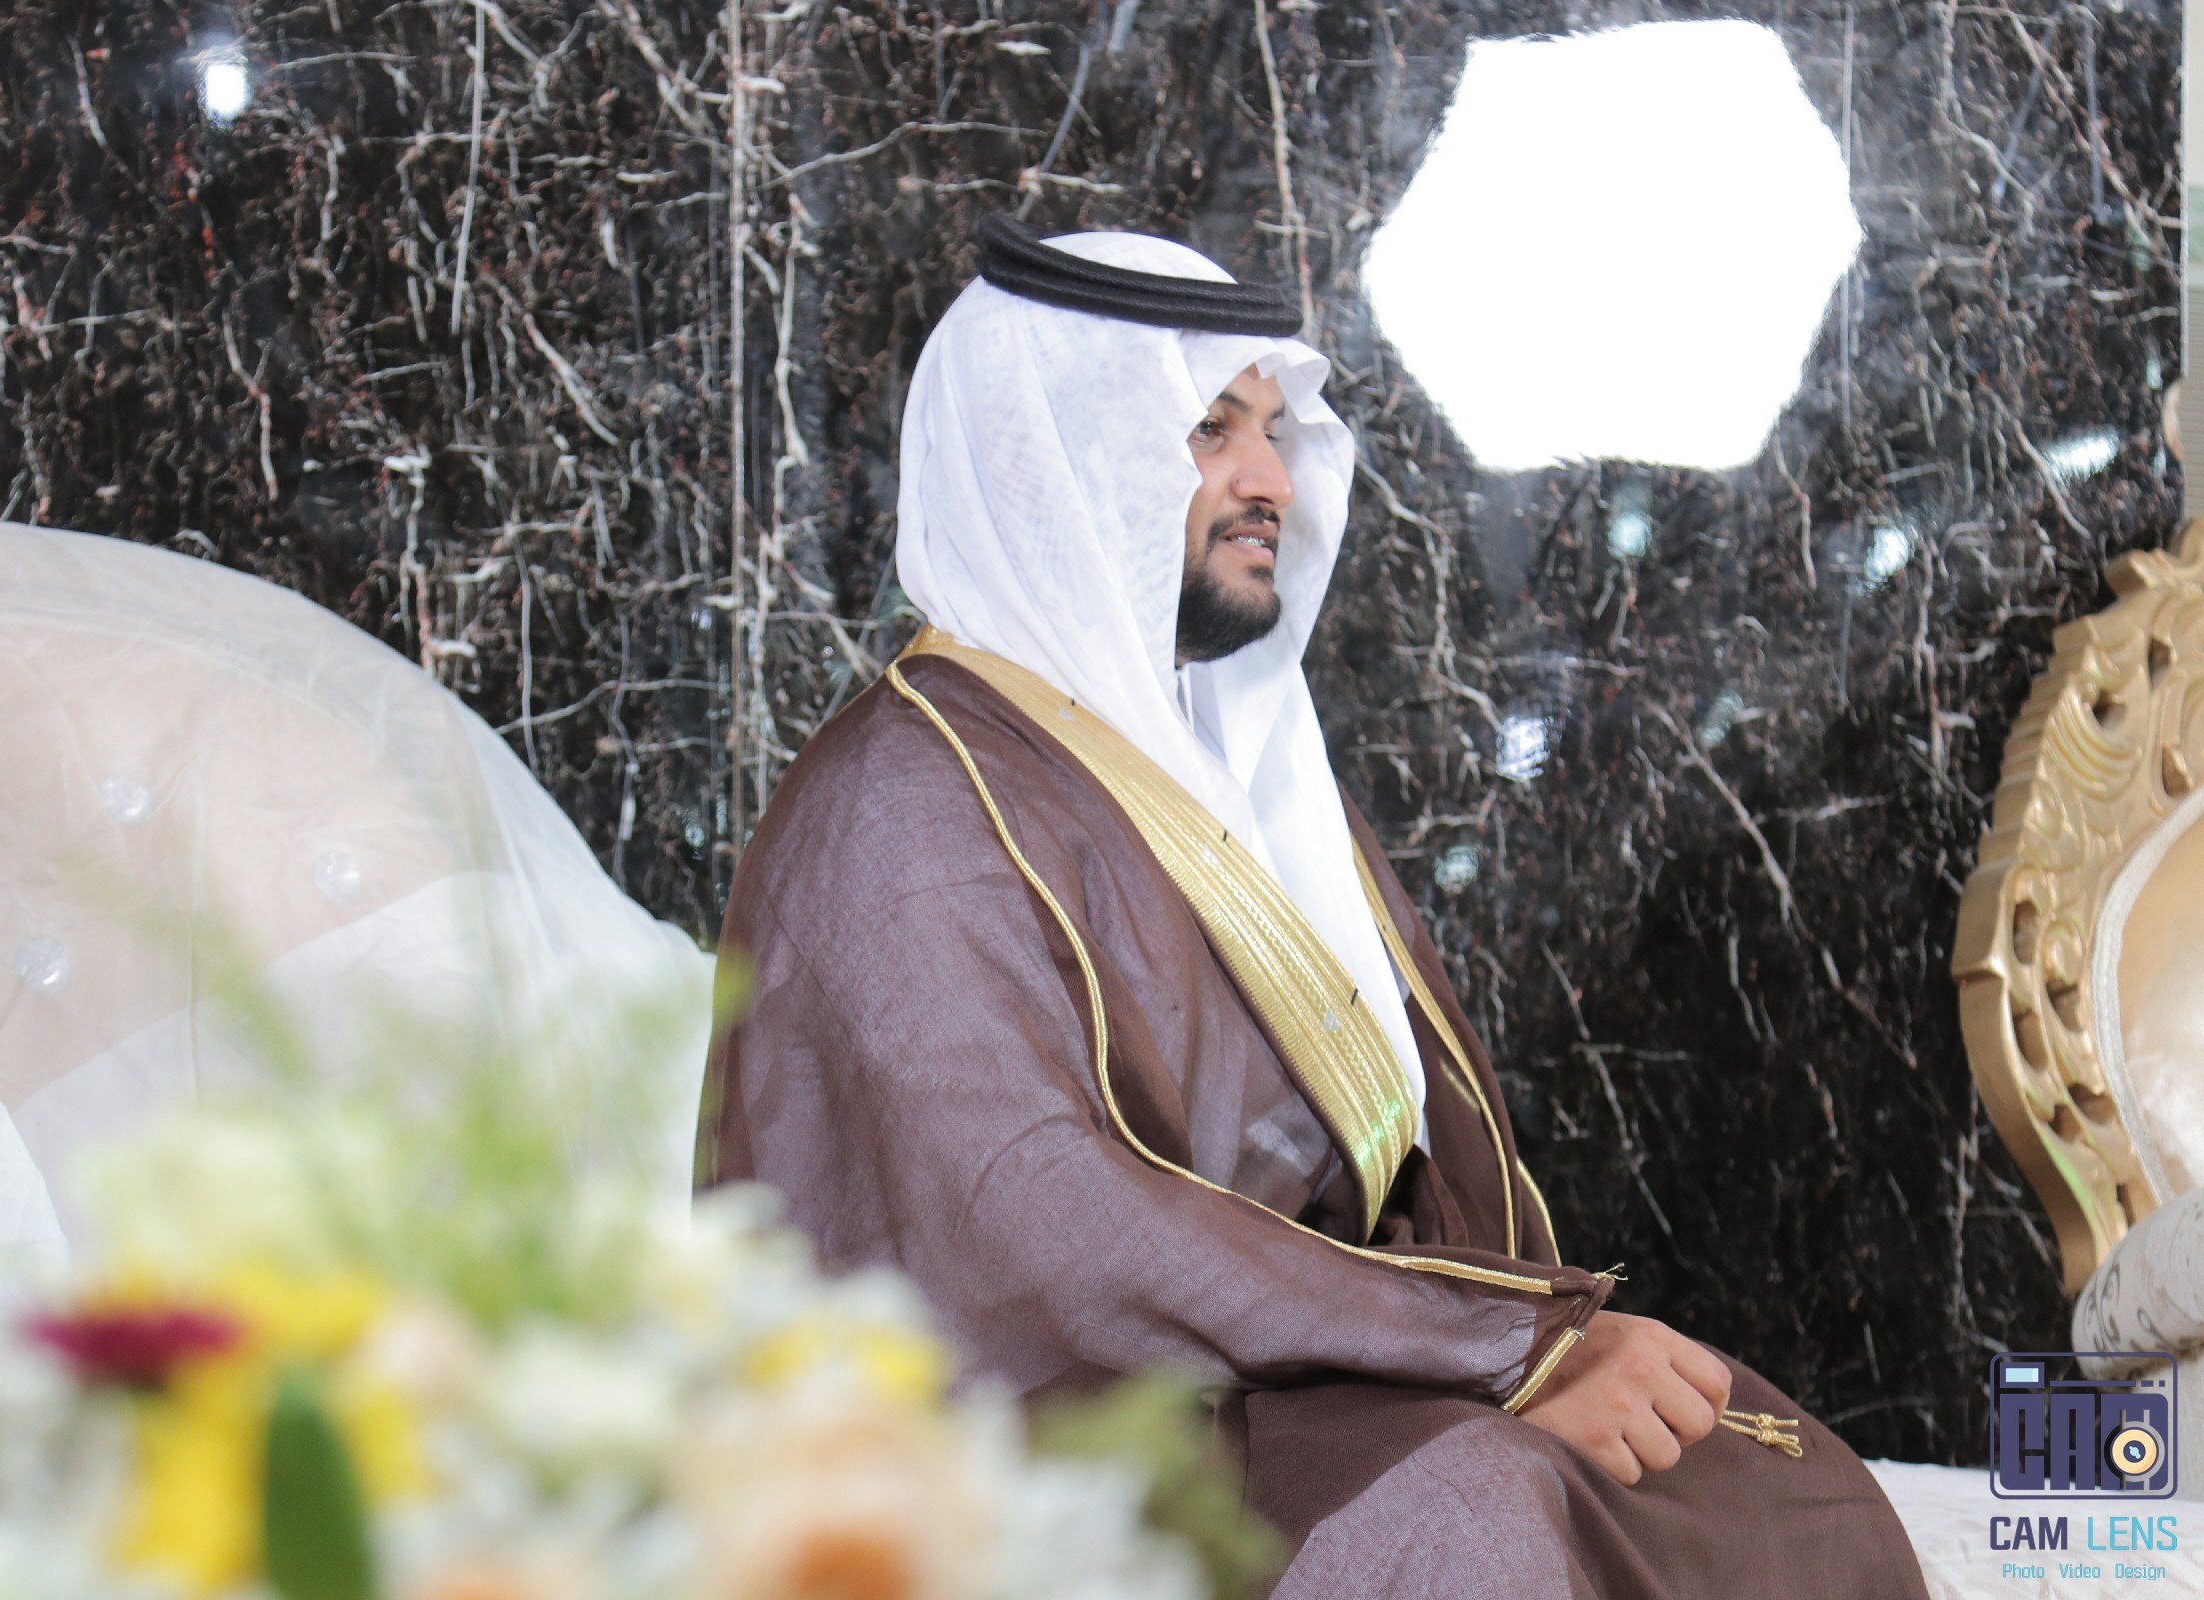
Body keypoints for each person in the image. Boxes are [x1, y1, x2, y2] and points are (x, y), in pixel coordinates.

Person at [707, 218, 1926, 1598]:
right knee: (1472, 1518)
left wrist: (1532, 1349)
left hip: (1297, 1376)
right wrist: (1499, 1350)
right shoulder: (901, 797)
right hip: (1059, 1450)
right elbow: (1034, 1226)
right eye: (1210, 431)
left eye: (1275, 432)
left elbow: (1400, 1144)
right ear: (1051, 456)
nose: (1271, 480)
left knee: (1771, 1480)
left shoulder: (1222, 763)